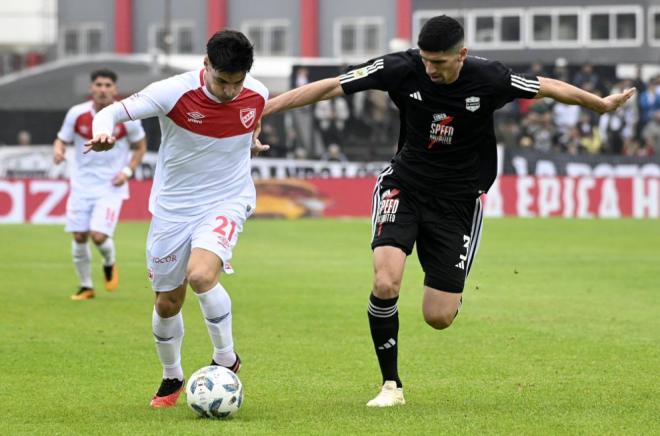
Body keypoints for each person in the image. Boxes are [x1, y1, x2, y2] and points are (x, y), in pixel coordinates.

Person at [262, 15, 635, 407]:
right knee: (386, 281)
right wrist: (264, 110)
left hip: (457, 202)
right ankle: (391, 385)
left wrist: (598, 105)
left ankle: (447, 279)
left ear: (462, 55)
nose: (430, 69)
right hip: (404, 187)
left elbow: (547, 87)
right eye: (425, 60)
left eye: (439, 62)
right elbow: (333, 86)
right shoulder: (401, 68)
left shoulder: (489, 78)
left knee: (438, 316)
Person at [84, 30, 269, 408]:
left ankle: (225, 359)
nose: (230, 92)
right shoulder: (172, 91)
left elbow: (253, 116)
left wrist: (252, 137)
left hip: (228, 198)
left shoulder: (258, 92)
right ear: (206, 64)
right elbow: (111, 111)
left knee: (201, 275)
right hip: (173, 208)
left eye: (237, 83)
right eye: (222, 81)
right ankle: (172, 376)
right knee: (168, 303)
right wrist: (103, 131)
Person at [53, 68, 147, 300]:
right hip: (81, 184)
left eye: (107, 86)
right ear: (91, 88)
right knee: (79, 236)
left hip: (110, 186)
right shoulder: (77, 114)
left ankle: (109, 262)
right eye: (99, 85)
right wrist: (58, 150)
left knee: (98, 236)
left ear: (114, 90)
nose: (103, 89)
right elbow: (61, 139)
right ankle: (86, 286)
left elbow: (140, 146)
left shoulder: (125, 115)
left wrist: (127, 171)